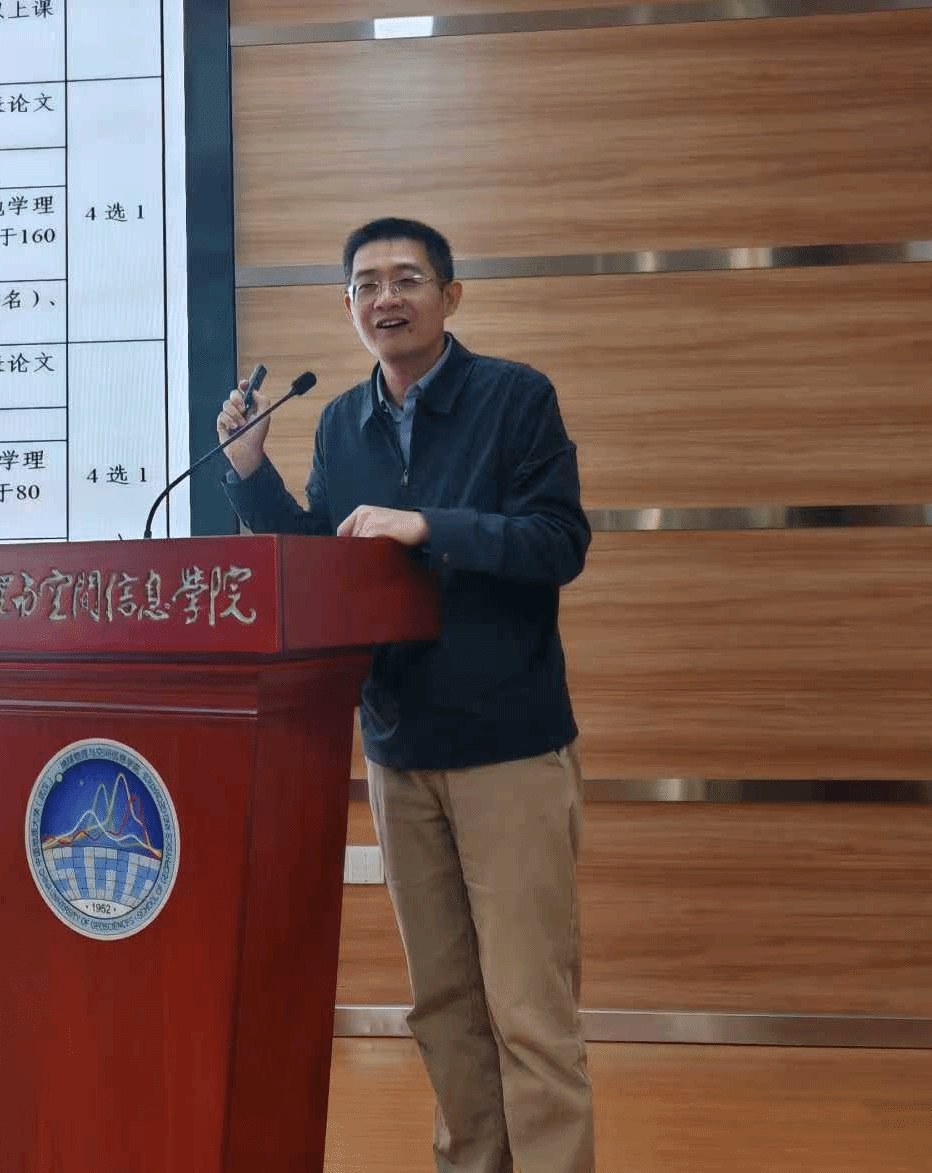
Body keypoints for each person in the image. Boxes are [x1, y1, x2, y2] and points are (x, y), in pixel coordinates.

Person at [217, 217, 595, 1173]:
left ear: (450, 295)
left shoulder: (515, 397)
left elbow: (559, 543)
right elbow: (324, 561)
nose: (385, 298)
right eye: (366, 284)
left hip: (509, 746)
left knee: (529, 1008)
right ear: (349, 306)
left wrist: (429, 525)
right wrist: (250, 471)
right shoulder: (342, 421)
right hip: (398, 745)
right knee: (444, 1004)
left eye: (407, 279)